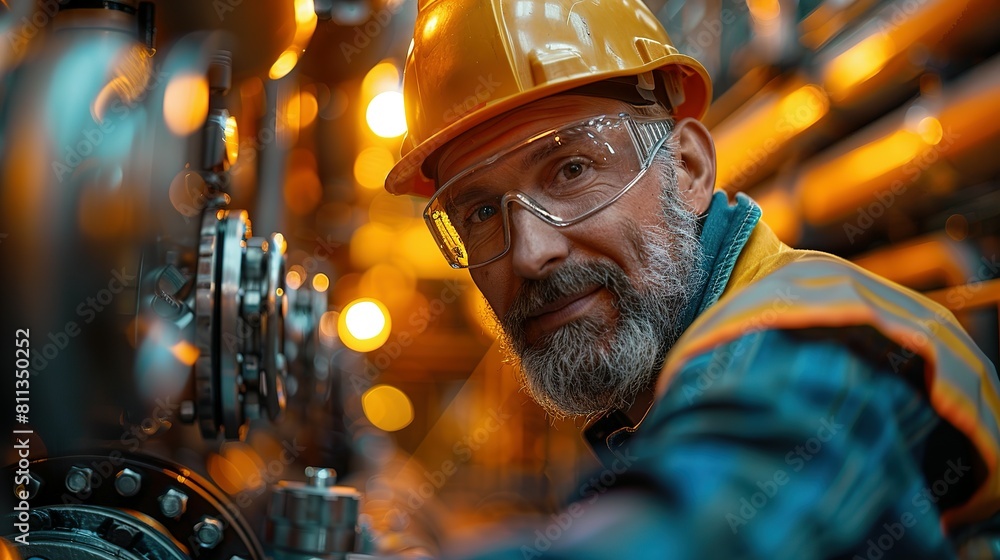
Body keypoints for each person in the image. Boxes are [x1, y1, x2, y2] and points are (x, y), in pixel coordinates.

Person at [381, 1, 1000, 558]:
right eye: (483, 213)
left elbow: (695, 535)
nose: (529, 253)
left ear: (688, 168)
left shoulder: (824, 340)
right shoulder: (662, 387)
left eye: (572, 169)